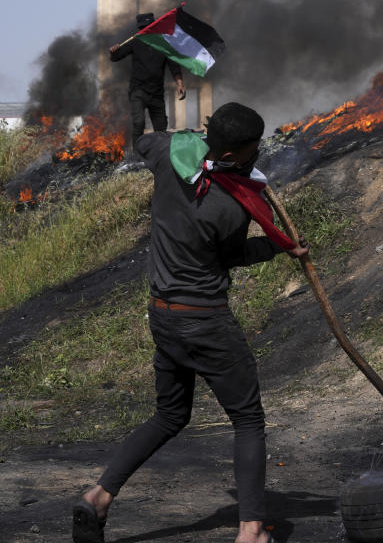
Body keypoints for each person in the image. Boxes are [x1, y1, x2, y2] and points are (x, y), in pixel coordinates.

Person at [72, 102, 307, 543]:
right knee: (247, 420)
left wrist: (190, 137)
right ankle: (252, 532)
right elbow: (234, 257)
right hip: (205, 320)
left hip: (162, 315)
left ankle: (98, 497)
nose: (258, 152)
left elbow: (145, 138)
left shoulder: (167, 154)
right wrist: (281, 246)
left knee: (169, 414)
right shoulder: (230, 206)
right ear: (238, 154)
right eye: (255, 147)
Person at [109, 12, 187, 144]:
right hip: (138, 91)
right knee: (138, 123)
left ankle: (158, 155)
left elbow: (173, 65)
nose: (147, 30)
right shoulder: (135, 41)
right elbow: (116, 57)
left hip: (156, 94)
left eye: (150, 27)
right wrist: (114, 51)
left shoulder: (163, 44)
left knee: (161, 128)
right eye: (144, 28)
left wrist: (180, 83)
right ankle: (136, 157)